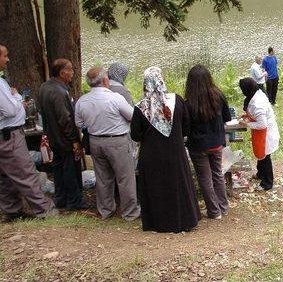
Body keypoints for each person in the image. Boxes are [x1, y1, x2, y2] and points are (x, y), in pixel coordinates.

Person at [130, 67, 200, 232]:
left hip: (151, 155)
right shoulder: (176, 100)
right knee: (178, 185)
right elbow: (187, 126)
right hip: (175, 152)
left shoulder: (141, 107)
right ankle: (183, 220)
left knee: (156, 188)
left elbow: (135, 135)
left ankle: (158, 223)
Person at [0, 44, 58, 221]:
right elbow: (9, 110)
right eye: (5, 56)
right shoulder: (0, 83)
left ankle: (11, 210)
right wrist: (17, 99)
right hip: (8, 135)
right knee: (25, 172)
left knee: (4, 176)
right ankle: (44, 209)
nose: (8, 59)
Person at [74, 66, 139, 221]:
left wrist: (94, 124)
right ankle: (130, 212)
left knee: (103, 178)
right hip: (117, 141)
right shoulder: (115, 98)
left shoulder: (82, 101)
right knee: (125, 177)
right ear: (105, 80)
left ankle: (105, 210)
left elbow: (79, 122)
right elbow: (132, 116)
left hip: (95, 140)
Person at [38, 58, 88, 211]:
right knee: (71, 170)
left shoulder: (44, 87)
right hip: (64, 139)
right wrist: (74, 140)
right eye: (71, 70)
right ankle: (74, 202)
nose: (73, 73)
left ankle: (60, 199)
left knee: (58, 169)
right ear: (62, 72)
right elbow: (64, 118)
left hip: (53, 137)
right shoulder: (59, 91)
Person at [184, 65, 231, 219]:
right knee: (217, 174)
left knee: (205, 178)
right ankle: (223, 207)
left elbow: (186, 128)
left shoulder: (189, 102)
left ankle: (214, 211)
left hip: (198, 145)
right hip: (216, 142)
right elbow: (227, 118)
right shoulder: (218, 95)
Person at [238, 78, 280, 191]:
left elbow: (262, 124)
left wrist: (246, 124)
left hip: (266, 132)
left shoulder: (258, 104)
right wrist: (248, 117)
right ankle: (260, 174)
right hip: (261, 132)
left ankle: (267, 183)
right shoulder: (257, 93)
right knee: (260, 153)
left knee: (265, 156)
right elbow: (255, 115)